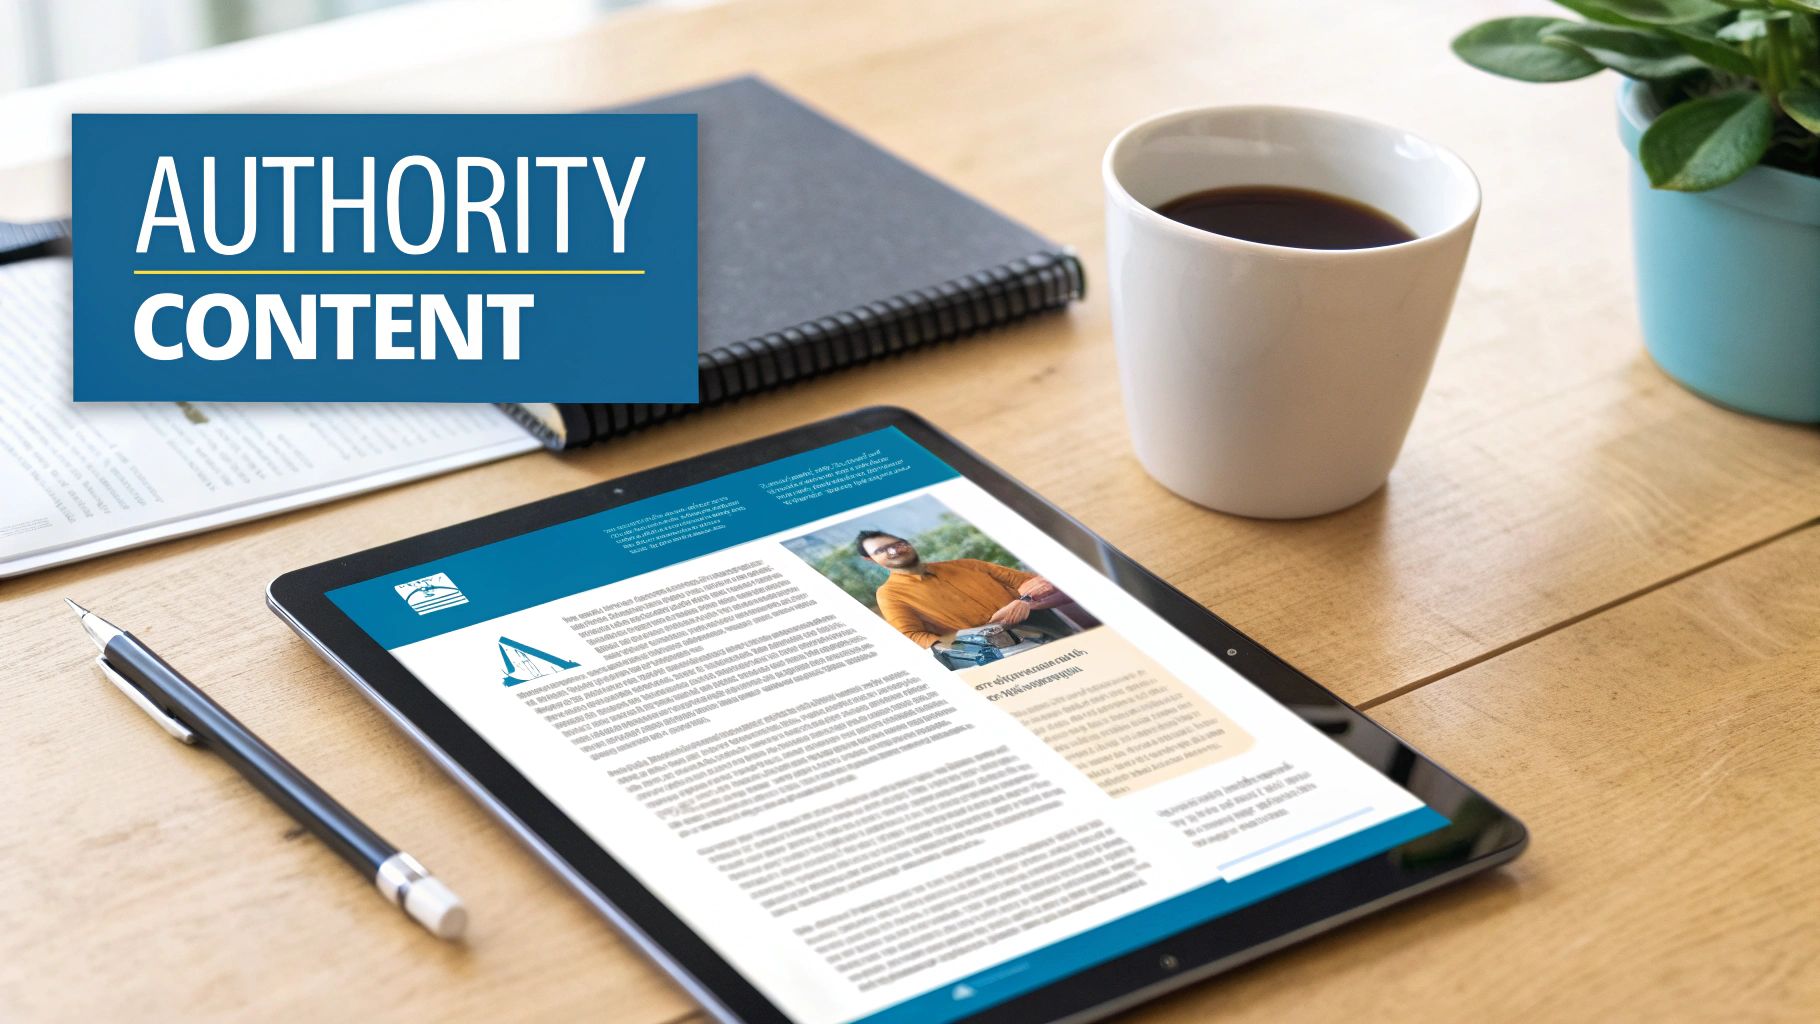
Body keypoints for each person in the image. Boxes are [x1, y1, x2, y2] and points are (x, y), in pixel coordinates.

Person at [856, 530, 1060, 648]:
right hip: (990, 650)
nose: (894, 550)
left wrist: (1023, 601)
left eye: (898, 543)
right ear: (870, 560)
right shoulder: (890, 594)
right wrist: (970, 644)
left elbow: (1035, 582)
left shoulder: (968, 564)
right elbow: (913, 636)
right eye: (881, 550)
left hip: (1046, 627)